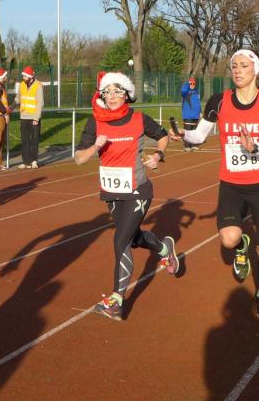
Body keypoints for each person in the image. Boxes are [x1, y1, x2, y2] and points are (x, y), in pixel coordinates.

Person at [170, 50, 259, 320]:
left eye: (243, 65)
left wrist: (255, 148)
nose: (237, 70)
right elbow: (199, 136)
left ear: (255, 69)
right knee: (229, 238)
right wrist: (184, 134)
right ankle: (241, 245)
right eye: (234, 66)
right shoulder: (219, 101)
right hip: (232, 184)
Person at [74, 71, 180, 320]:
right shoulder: (95, 123)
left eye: (117, 91)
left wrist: (158, 156)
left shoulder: (139, 119)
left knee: (120, 240)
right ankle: (165, 249)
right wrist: (95, 146)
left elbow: (163, 136)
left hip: (137, 190)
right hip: (111, 193)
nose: (112, 96)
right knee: (132, 238)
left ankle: (116, 300)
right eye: (107, 92)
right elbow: (79, 159)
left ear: (127, 94)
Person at [14, 65, 43, 169]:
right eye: (23, 76)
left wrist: (36, 118)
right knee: (25, 140)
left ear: (30, 76)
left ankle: (34, 160)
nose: (23, 78)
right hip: (24, 116)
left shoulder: (38, 85)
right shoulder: (22, 85)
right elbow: (18, 98)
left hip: (34, 117)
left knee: (34, 140)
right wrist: (11, 107)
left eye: (25, 76)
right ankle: (26, 161)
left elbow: (40, 102)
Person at [180, 76, 201, 151]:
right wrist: (187, 83)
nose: (192, 85)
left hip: (195, 115)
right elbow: (183, 90)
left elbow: (198, 103)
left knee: (194, 131)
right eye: (191, 84)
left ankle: (193, 145)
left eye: (193, 84)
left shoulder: (196, 91)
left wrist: (200, 112)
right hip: (188, 115)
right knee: (187, 131)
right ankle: (187, 146)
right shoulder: (186, 92)